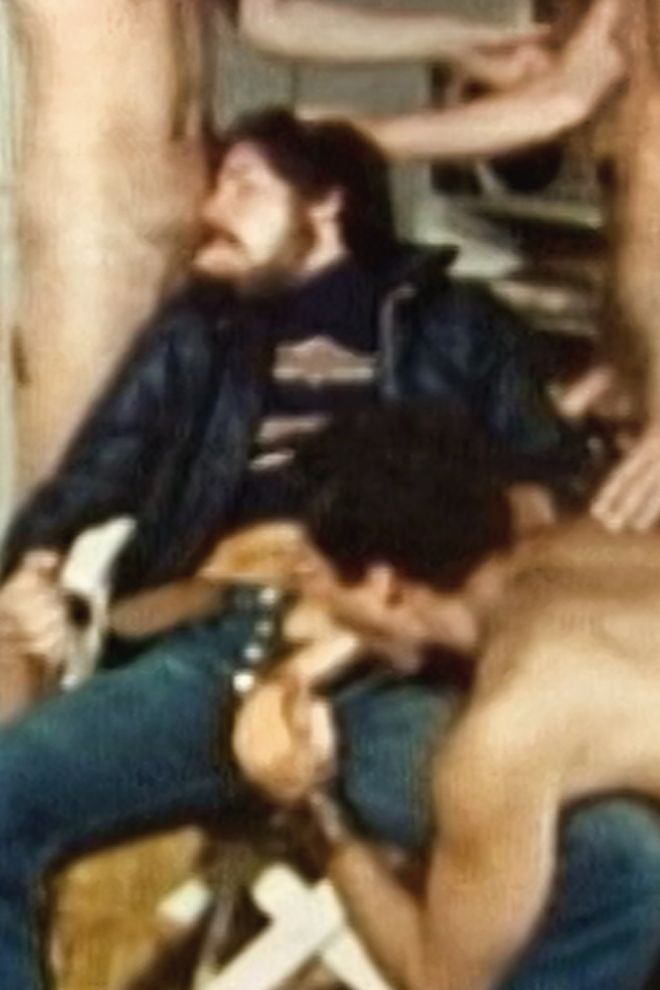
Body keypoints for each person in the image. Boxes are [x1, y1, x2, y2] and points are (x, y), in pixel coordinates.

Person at [0, 109, 657, 990]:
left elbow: (542, 491)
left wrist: (333, 662)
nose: (211, 209)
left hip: (399, 670)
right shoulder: (197, 335)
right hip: (234, 635)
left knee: (615, 858)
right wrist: (34, 569)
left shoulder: (457, 324)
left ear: (326, 201)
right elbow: (87, 482)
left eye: (243, 183)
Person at [234, 402, 660, 990]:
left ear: (384, 583)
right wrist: (312, 665)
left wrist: (312, 813)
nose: (319, 605)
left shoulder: (505, 734)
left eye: (314, 577)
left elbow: (440, 979)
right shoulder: (595, 540)